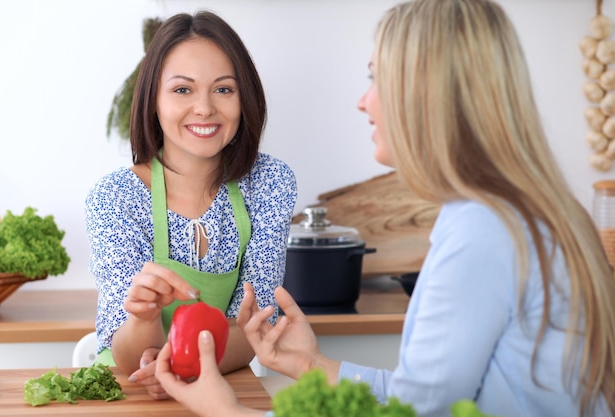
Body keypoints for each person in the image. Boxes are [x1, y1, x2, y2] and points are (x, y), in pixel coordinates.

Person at [155, 0, 615, 416]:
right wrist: (313, 366)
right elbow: (423, 398)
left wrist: (228, 413)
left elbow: (415, 415)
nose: (363, 100)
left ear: (426, 93)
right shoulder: (515, 209)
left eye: (375, 77)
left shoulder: (484, 229)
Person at [85, 10, 297, 399]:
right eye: (182, 89)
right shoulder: (114, 197)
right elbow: (125, 353)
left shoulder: (269, 183)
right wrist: (145, 318)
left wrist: (189, 365)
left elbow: (257, 325)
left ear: (244, 97)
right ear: (153, 100)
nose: (204, 108)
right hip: (130, 394)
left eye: (223, 89)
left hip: (221, 389)